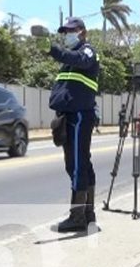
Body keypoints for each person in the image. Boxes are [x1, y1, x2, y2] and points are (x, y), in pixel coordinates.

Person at [38, 17, 99, 232]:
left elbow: (81, 60)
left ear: (82, 32)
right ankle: (88, 214)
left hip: (80, 116)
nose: (67, 34)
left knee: (77, 165)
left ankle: (77, 217)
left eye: (71, 31)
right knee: (80, 164)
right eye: (65, 32)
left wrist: (51, 49)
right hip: (69, 116)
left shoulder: (88, 51)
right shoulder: (69, 62)